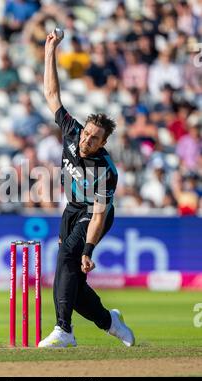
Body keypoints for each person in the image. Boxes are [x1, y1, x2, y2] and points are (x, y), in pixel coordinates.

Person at [38, 30, 135, 348]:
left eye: (95, 138)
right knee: (71, 283)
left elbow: (97, 215)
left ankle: (63, 330)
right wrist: (50, 49)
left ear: (104, 143)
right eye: (87, 134)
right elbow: (52, 94)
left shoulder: (105, 170)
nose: (87, 140)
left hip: (95, 215)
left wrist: (89, 250)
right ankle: (111, 322)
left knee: (69, 257)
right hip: (71, 209)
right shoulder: (71, 131)